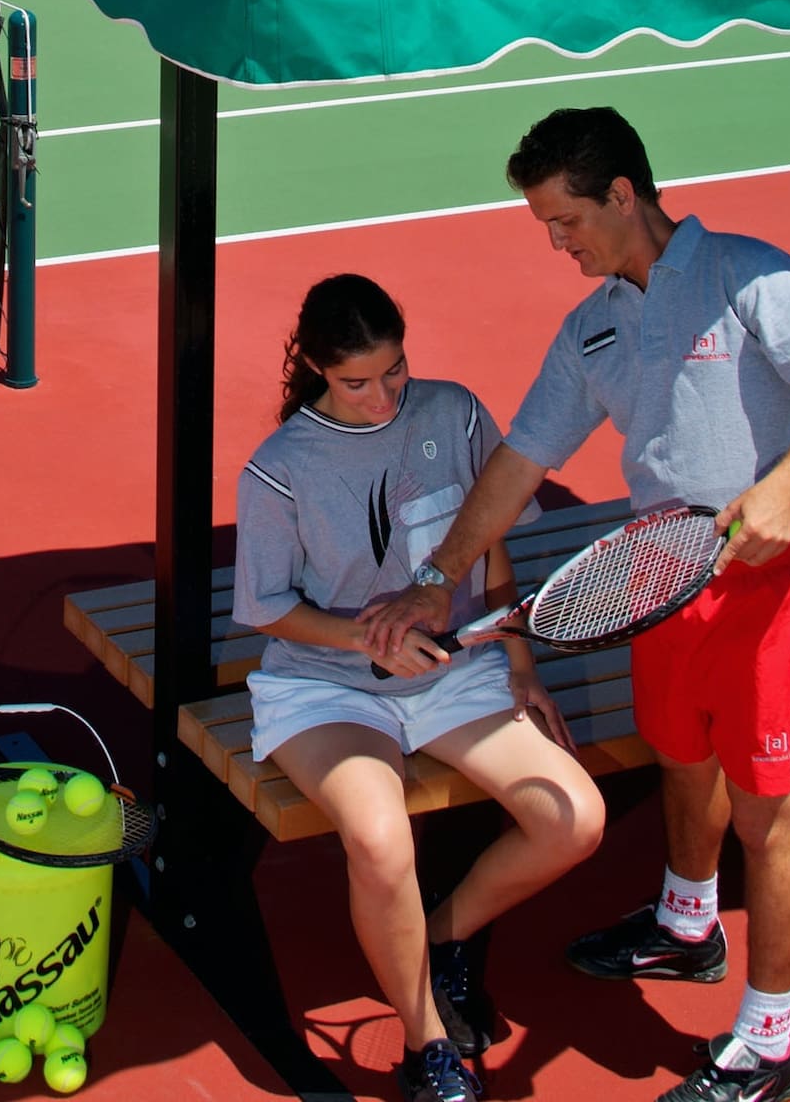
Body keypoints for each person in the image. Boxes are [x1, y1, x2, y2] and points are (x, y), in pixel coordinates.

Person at [366, 108, 790, 1102]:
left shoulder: (749, 273)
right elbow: (520, 461)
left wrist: (778, 491)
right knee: (683, 760)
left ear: (623, 194)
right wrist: (440, 577)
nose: (559, 242)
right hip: (660, 576)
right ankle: (688, 925)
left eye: (566, 220)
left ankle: (770, 1044)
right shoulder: (593, 325)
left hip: (770, 584)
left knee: (772, 814)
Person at [235, 273, 605, 1102]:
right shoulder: (278, 470)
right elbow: (268, 611)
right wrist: (373, 637)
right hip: (328, 689)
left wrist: (520, 664)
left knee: (574, 820)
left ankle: (436, 934)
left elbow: (491, 545)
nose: (382, 396)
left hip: (456, 672)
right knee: (378, 839)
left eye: (394, 371)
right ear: (318, 369)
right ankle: (425, 1043)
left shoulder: (456, 413)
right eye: (356, 381)